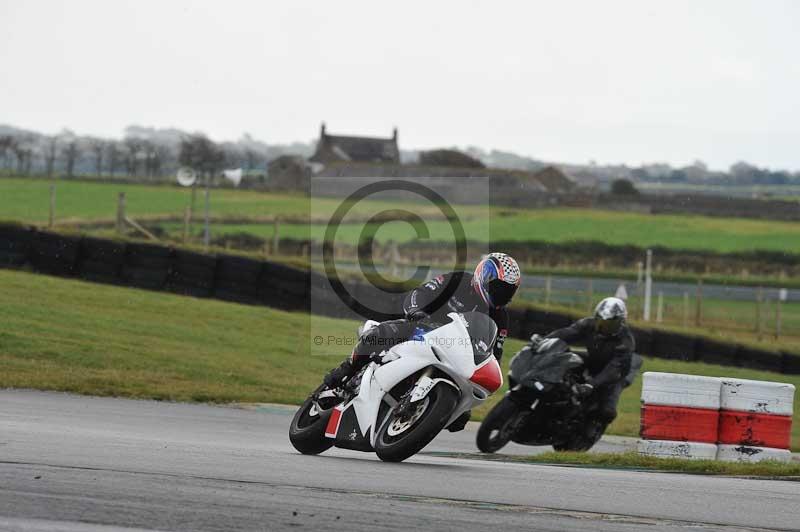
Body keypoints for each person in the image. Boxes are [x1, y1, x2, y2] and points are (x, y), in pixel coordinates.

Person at [322, 252, 522, 431]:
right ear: (484, 276)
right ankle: (347, 369)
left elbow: (494, 353)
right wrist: (416, 311)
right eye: (499, 288)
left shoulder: (500, 317)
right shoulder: (458, 281)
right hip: (423, 328)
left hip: (454, 355)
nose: (502, 295)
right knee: (383, 333)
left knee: (460, 416)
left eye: (508, 291)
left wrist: (466, 402)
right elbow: (422, 292)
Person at [544, 296, 635, 435]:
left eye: (609, 325)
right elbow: (566, 333)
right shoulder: (588, 324)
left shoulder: (625, 341)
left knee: (607, 412)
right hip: (593, 360)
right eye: (600, 322)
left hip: (614, 375)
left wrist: (591, 384)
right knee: (563, 358)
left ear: (621, 323)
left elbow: (614, 368)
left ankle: (587, 431)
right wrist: (544, 342)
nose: (603, 328)